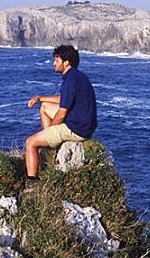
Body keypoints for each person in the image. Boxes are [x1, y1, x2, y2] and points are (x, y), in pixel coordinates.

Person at [25, 45, 97, 188]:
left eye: (56, 60)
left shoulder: (70, 80)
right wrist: (40, 98)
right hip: (84, 124)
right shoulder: (77, 76)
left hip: (77, 129)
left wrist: (49, 130)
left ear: (66, 63)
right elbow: (65, 99)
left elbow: (62, 112)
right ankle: (51, 144)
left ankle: (32, 182)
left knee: (30, 143)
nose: (53, 63)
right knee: (45, 106)